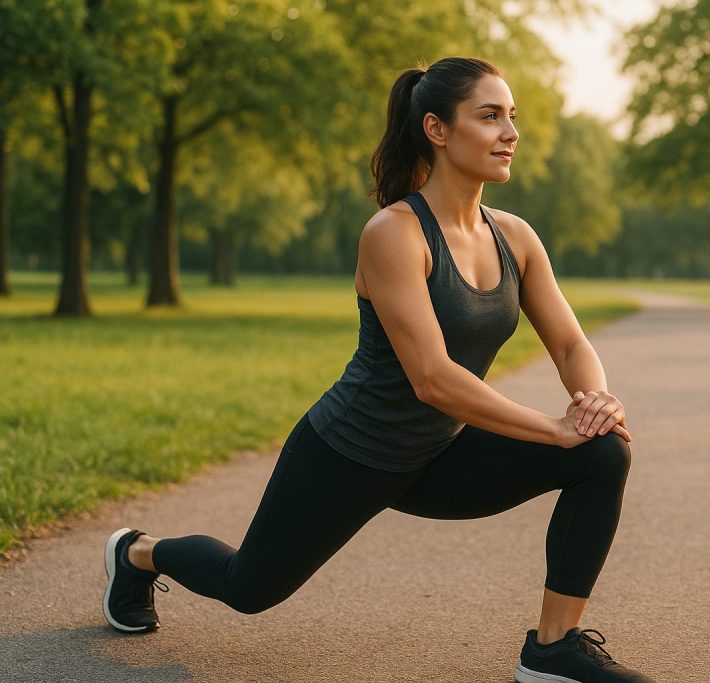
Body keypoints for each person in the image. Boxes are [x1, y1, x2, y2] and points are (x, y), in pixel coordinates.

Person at [102, 56, 653, 683]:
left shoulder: (515, 237)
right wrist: (553, 428)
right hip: (352, 452)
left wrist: (594, 401)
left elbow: (571, 342)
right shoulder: (394, 233)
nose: (511, 133)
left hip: (440, 456)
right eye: (490, 116)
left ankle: (553, 650)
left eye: (512, 117)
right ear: (437, 130)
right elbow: (432, 378)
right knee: (248, 587)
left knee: (602, 452)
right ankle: (137, 552)